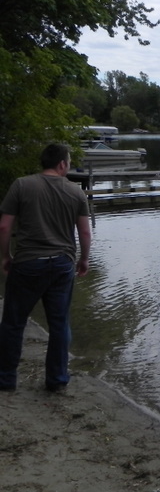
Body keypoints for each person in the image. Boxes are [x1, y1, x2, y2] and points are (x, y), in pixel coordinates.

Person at [0, 144, 91, 392]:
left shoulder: (21, 185)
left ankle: (6, 379)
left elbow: (4, 227)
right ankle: (56, 380)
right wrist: (84, 259)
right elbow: (84, 231)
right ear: (62, 164)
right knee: (60, 323)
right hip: (62, 265)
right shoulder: (76, 192)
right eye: (69, 161)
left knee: (13, 322)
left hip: (28, 262)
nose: (69, 165)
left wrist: (6, 256)